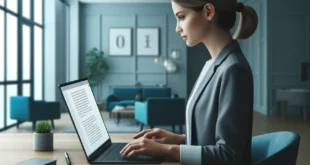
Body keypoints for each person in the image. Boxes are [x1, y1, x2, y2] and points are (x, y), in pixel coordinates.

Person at [120, 0, 258, 164]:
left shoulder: (233, 69)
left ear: (208, 12)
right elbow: (211, 137)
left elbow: (228, 155)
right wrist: (178, 139)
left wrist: (167, 150)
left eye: (182, 17)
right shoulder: (213, 64)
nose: (177, 27)